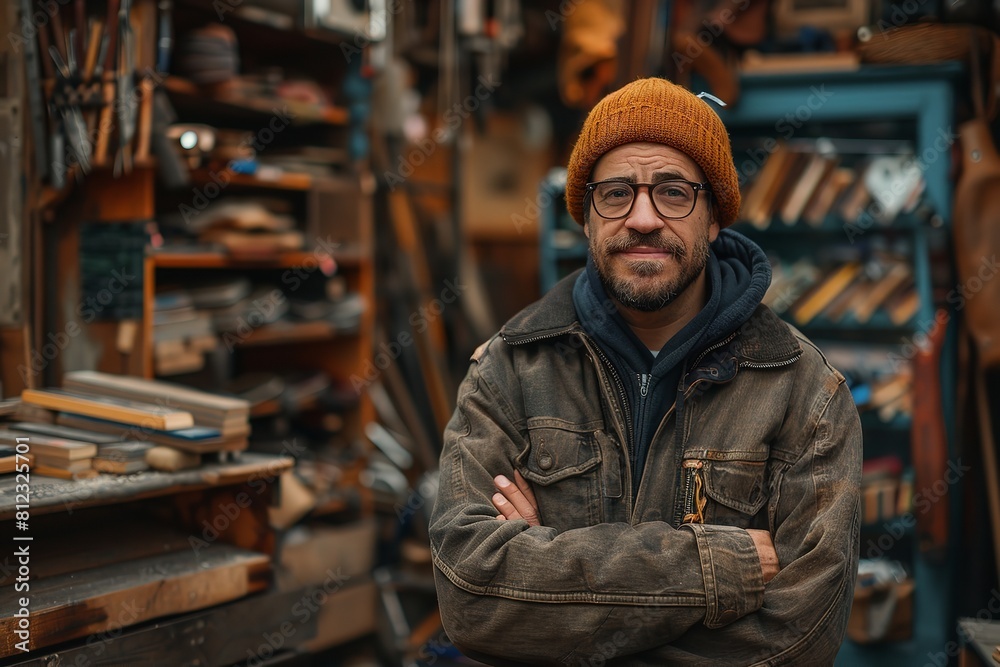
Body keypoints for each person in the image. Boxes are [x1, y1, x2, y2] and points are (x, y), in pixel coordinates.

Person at [429, 77, 862, 666]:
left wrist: (547, 589)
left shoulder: (804, 392)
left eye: (674, 192)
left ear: (713, 217)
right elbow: (471, 599)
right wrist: (718, 569)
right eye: (614, 193)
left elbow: (800, 638)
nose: (642, 218)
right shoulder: (508, 373)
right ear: (585, 217)